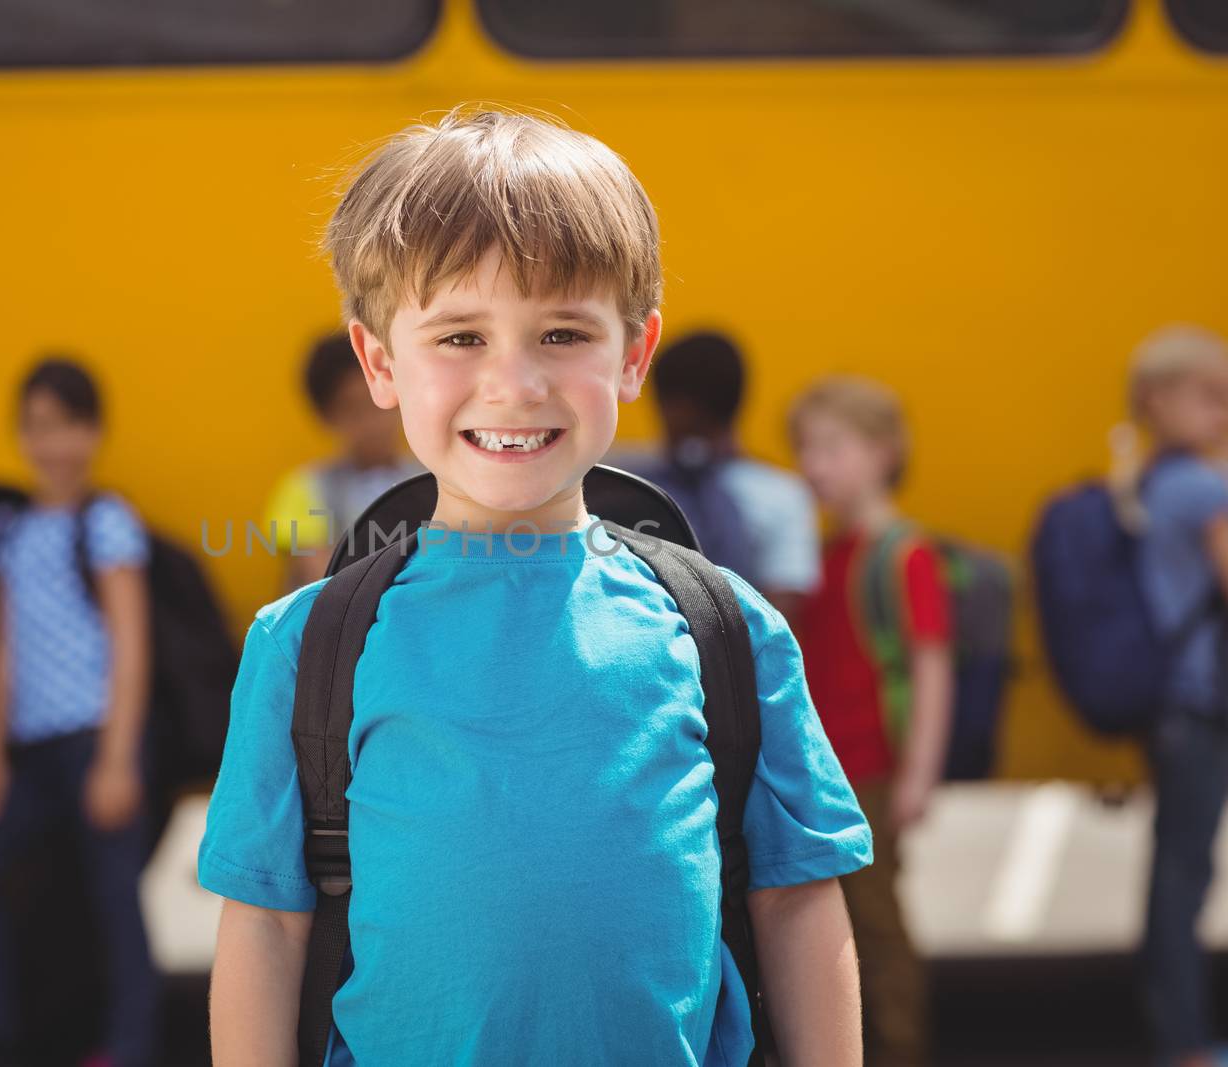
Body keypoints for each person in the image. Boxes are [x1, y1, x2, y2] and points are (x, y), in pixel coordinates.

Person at [199, 107, 871, 1066]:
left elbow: (798, 895)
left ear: (634, 354)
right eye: (461, 337)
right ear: (380, 361)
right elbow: (266, 926)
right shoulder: (306, 646)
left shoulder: (728, 630)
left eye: (562, 333)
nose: (514, 383)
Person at [0, 357, 160, 1067]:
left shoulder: (106, 521)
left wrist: (117, 758)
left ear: (94, 432)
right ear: (20, 435)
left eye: (67, 424)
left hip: (95, 738)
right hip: (31, 752)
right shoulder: (7, 530)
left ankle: (131, 1044)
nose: (53, 443)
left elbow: (130, 642)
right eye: (37, 426)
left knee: (112, 897)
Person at [788, 376, 953, 1066]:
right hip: (830, 769)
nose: (812, 466)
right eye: (805, 449)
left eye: (832, 447)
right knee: (845, 923)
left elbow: (931, 667)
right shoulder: (826, 553)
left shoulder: (903, 553)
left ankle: (900, 1048)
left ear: (884, 452)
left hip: (873, 769)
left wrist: (918, 775)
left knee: (877, 930)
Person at [1124, 326, 1228, 1067]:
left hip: (1172, 701)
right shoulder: (1202, 488)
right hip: (1203, 698)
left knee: (1175, 867)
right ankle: (1185, 1041)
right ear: (1159, 400)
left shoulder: (1148, 481)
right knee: (1186, 872)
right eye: (1211, 396)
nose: (1225, 410)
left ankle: (1175, 1030)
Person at [631, 329, 821, 622]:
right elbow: (783, 608)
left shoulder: (631, 482)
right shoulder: (783, 493)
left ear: (668, 405)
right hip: (739, 658)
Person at [262, 333, 421, 590]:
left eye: (379, 404)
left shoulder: (434, 479)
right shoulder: (305, 488)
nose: (372, 423)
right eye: (352, 409)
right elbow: (325, 577)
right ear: (327, 416)